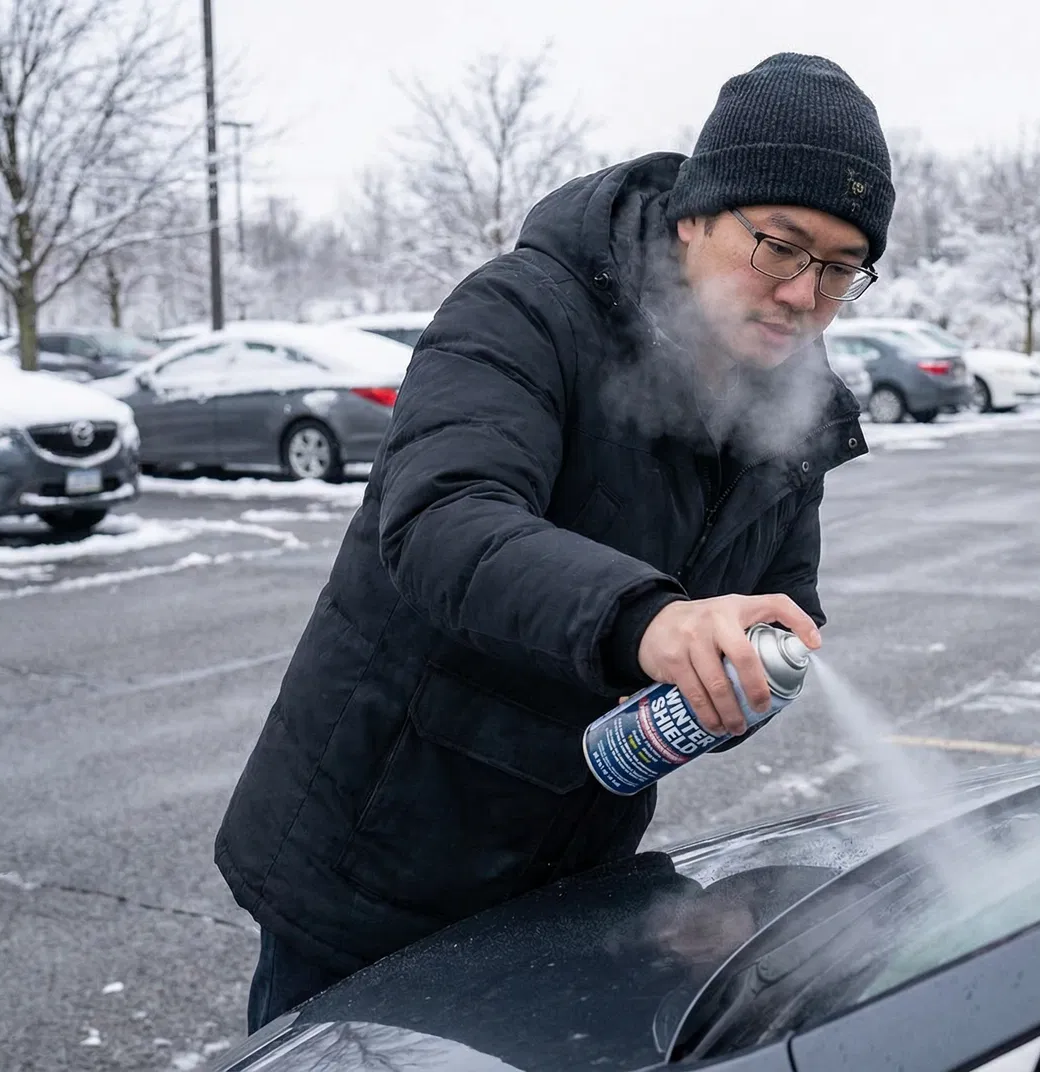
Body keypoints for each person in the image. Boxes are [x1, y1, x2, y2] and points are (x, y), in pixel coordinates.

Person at [215, 51, 895, 1032]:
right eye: (780, 246)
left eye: (840, 268)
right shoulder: (528, 310)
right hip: (379, 857)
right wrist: (649, 621)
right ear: (698, 213)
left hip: (570, 872)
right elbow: (444, 517)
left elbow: (787, 596)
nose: (804, 293)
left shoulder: (787, 402)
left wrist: (739, 671)